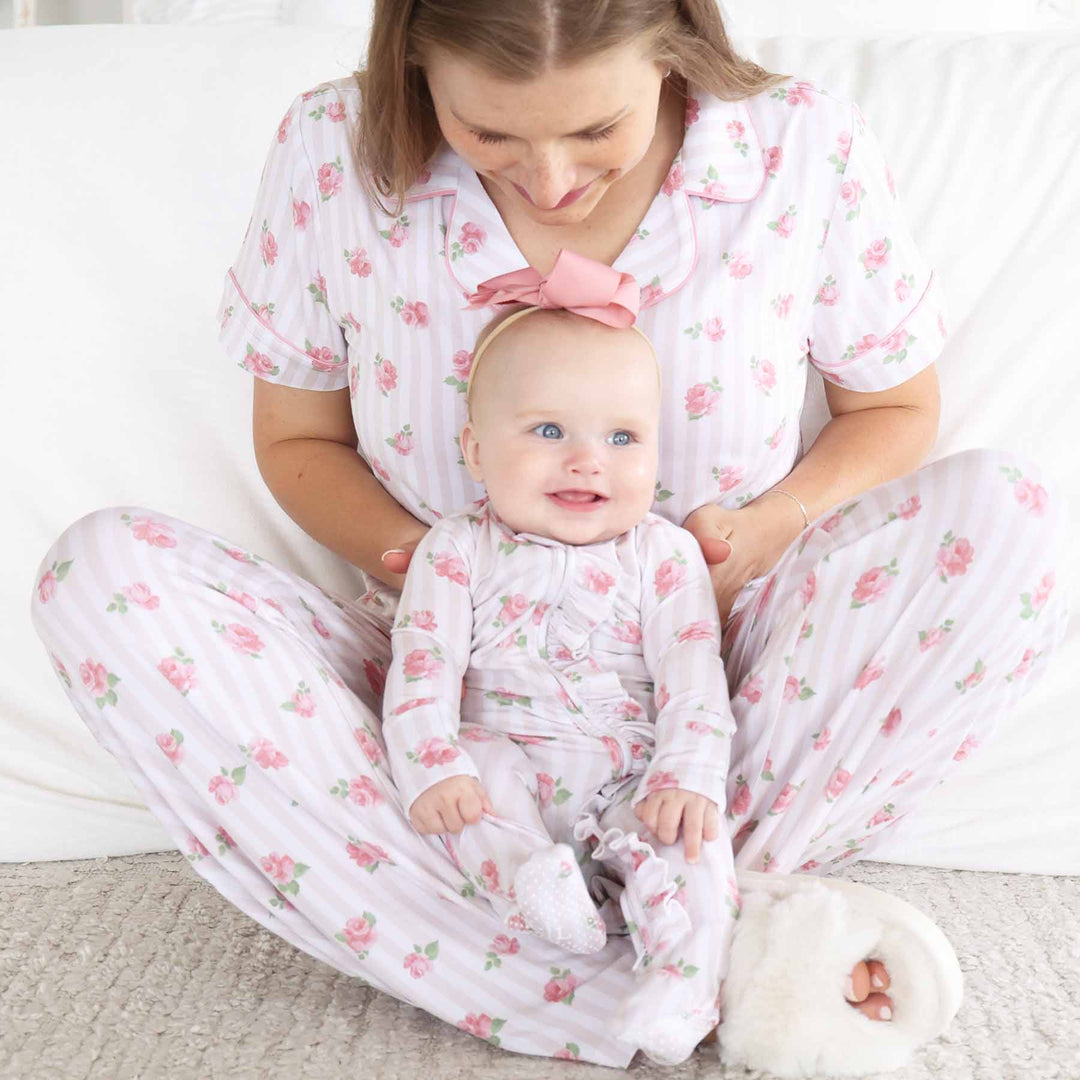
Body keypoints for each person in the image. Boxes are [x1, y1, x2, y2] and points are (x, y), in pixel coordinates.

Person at [29, 0, 1068, 1070]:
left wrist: (764, 532)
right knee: (102, 577)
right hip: (438, 688)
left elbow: (894, 410)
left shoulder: (798, 148)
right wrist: (440, 575)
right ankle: (687, 953)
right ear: (416, 60)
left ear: (676, 50)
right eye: (490, 136)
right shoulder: (332, 153)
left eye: (597, 133)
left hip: (726, 675)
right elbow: (297, 436)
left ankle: (608, 903)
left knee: (1009, 522)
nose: (554, 181)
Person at [382, 255, 739, 1062]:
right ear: (475, 449)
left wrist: (685, 770)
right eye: (549, 431)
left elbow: (693, 673)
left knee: (694, 842)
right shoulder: (458, 548)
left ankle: (682, 980)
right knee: (461, 793)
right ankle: (531, 884)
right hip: (505, 761)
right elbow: (423, 662)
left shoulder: (665, 553)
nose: (588, 460)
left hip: (629, 768)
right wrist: (432, 761)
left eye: (623, 438)